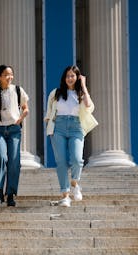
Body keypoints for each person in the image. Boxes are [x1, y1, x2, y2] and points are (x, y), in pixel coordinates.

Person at [44, 65, 94, 207]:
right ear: (64, 78)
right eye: (67, 76)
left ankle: (75, 182)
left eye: (72, 76)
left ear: (77, 77)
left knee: (77, 160)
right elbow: (49, 113)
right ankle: (65, 195)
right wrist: (49, 128)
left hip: (76, 127)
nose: (70, 78)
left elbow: (89, 105)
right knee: (61, 162)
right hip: (58, 127)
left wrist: (83, 85)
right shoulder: (56, 93)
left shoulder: (81, 93)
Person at [0, 65, 29, 207]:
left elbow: (26, 107)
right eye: (6, 75)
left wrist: (21, 118)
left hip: (14, 130)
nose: (10, 77)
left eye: (11, 74)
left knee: (14, 162)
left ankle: (10, 194)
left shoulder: (17, 90)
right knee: (1, 157)